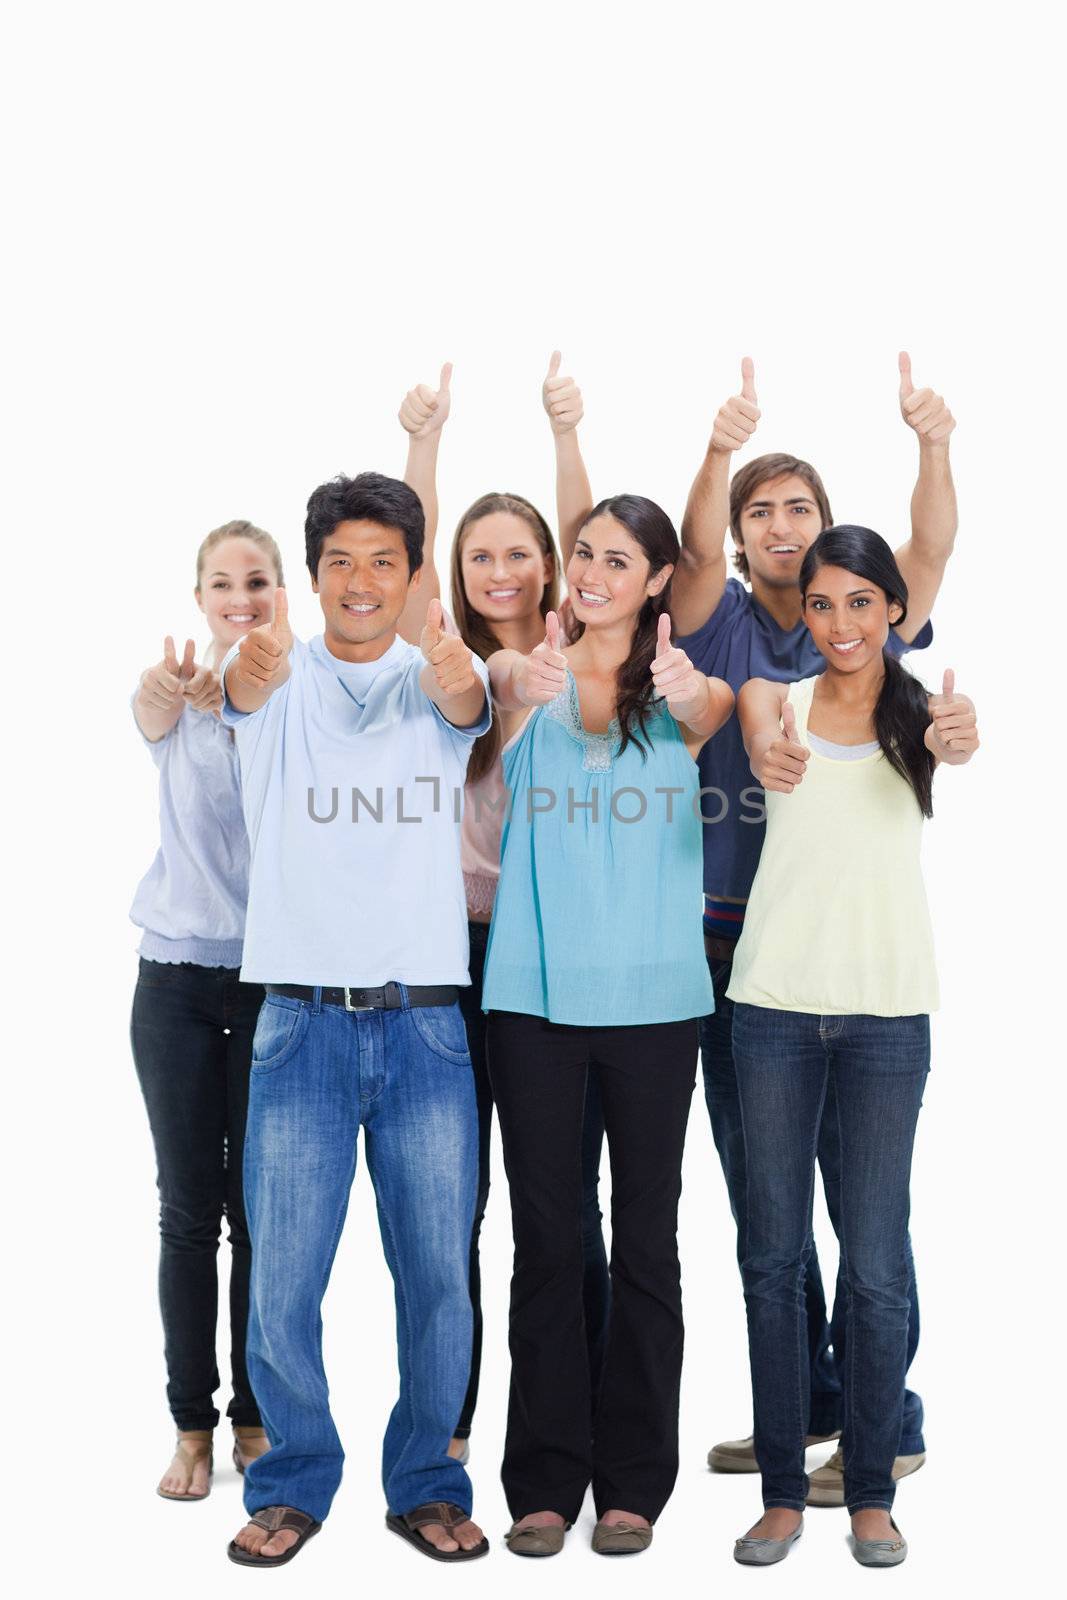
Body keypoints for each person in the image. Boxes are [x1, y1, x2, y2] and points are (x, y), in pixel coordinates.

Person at [667, 356, 958, 1496]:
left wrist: (931, 445)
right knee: (765, 1204)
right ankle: (807, 1412)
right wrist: (714, 449)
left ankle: (890, 1417)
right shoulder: (717, 623)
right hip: (729, 953)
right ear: (741, 534)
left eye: (798, 508)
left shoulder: (862, 630)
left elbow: (927, 553)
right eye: (759, 510)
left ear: (832, 536)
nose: (779, 526)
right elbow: (687, 557)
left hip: (843, 959)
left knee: (862, 1204)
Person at [221, 472, 491, 1566]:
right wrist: (254, 660)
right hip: (299, 1027)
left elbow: (468, 704)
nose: (362, 581)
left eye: (385, 559)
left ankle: (426, 1480)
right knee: (283, 1270)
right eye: (340, 561)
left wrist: (451, 661)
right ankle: (291, 1480)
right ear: (313, 575)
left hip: (426, 1027)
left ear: (415, 576)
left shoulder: (438, 685)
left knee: (437, 1272)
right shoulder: (275, 682)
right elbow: (242, 687)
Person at [482, 494, 734, 1557]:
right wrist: (516, 691)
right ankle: (543, 1480)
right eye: (580, 552)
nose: (589, 572)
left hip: (651, 1007)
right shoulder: (519, 673)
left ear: (654, 579)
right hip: (532, 1000)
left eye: (615, 560)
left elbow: (711, 706)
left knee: (645, 1243)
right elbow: (487, 715)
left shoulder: (692, 690)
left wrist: (685, 685)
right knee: (544, 1242)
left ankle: (632, 1482)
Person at [728, 525, 978, 1567]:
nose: (837, 624)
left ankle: (870, 1493)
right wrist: (756, 742)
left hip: (883, 1019)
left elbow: (957, 738)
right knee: (772, 1257)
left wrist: (957, 732)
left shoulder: (922, 714)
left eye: (859, 604)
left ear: (892, 610)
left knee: (874, 1266)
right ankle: (784, 1492)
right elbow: (748, 723)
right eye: (820, 604)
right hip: (771, 1011)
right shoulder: (770, 704)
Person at [394, 361, 610, 1461]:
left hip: (543, 953)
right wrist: (422, 443)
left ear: (546, 568)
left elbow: (590, 532)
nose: (498, 570)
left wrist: (564, 430)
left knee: (561, 1199)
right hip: (441, 955)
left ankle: (577, 1421)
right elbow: (410, 550)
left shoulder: (574, 647)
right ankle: (456, 1428)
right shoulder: (434, 657)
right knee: (453, 1205)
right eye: (481, 555)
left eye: (516, 552)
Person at [130, 519, 282, 1500]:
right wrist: (171, 696)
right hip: (177, 983)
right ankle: (190, 1421)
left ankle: (255, 1419)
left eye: (258, 580)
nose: (241, 596)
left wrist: (249, 701)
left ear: (281, 593)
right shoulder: (171, 693)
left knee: (260, 1214)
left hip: (270, 979)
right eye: (223, 582)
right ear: (199, 599)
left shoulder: (300, 695)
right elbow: (148, 713)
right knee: (189, 1212)